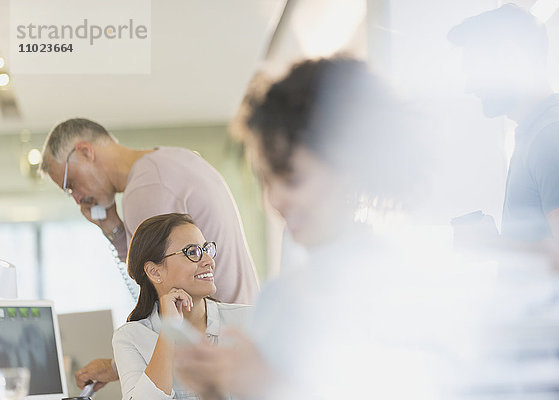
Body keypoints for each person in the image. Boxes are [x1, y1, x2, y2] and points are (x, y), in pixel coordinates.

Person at [174, 57, 430, 399]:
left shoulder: (403, 287)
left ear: (351, 168)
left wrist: (268, 385)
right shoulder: (276, 298)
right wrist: (217, 390)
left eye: (292, 179)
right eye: (266, 180)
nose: (276, 199)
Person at [39, 119, 259, 390]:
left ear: (85, 151)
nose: (77, 198)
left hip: (211, 348)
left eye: (71, 183)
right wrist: (113, 229)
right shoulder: (170, 160)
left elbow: (160, 285)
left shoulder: (144, 191)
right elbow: (154, 266)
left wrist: (119, 363)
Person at [448, 4, 559, 272]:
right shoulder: (540, 132)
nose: (469, 85)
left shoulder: (554, 136)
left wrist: (491, 244)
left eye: (475, 68)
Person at [113, 213, 252, 400]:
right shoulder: (130, 338)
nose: (209, 262)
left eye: (206, 250)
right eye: (192, 252)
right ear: (155, 272)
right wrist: (169, 331)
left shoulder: (248, 321)